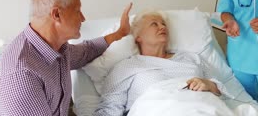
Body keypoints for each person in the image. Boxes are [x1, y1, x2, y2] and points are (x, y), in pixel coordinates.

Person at [0, 0, 132, 116]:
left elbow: (85, 52)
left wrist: (119, 33)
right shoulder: (22, 76)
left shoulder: (56, 48)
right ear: (56, 14)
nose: (83, 18)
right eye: (77, 11)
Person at [94, 9, 226, 116]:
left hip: (205, 108)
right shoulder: (126, 67)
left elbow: (220, 91)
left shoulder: (192, 58)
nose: (162, 27)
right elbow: (109, 107)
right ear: (138, 37)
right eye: (154, 24)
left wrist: (209, 85)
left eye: (163, 24)